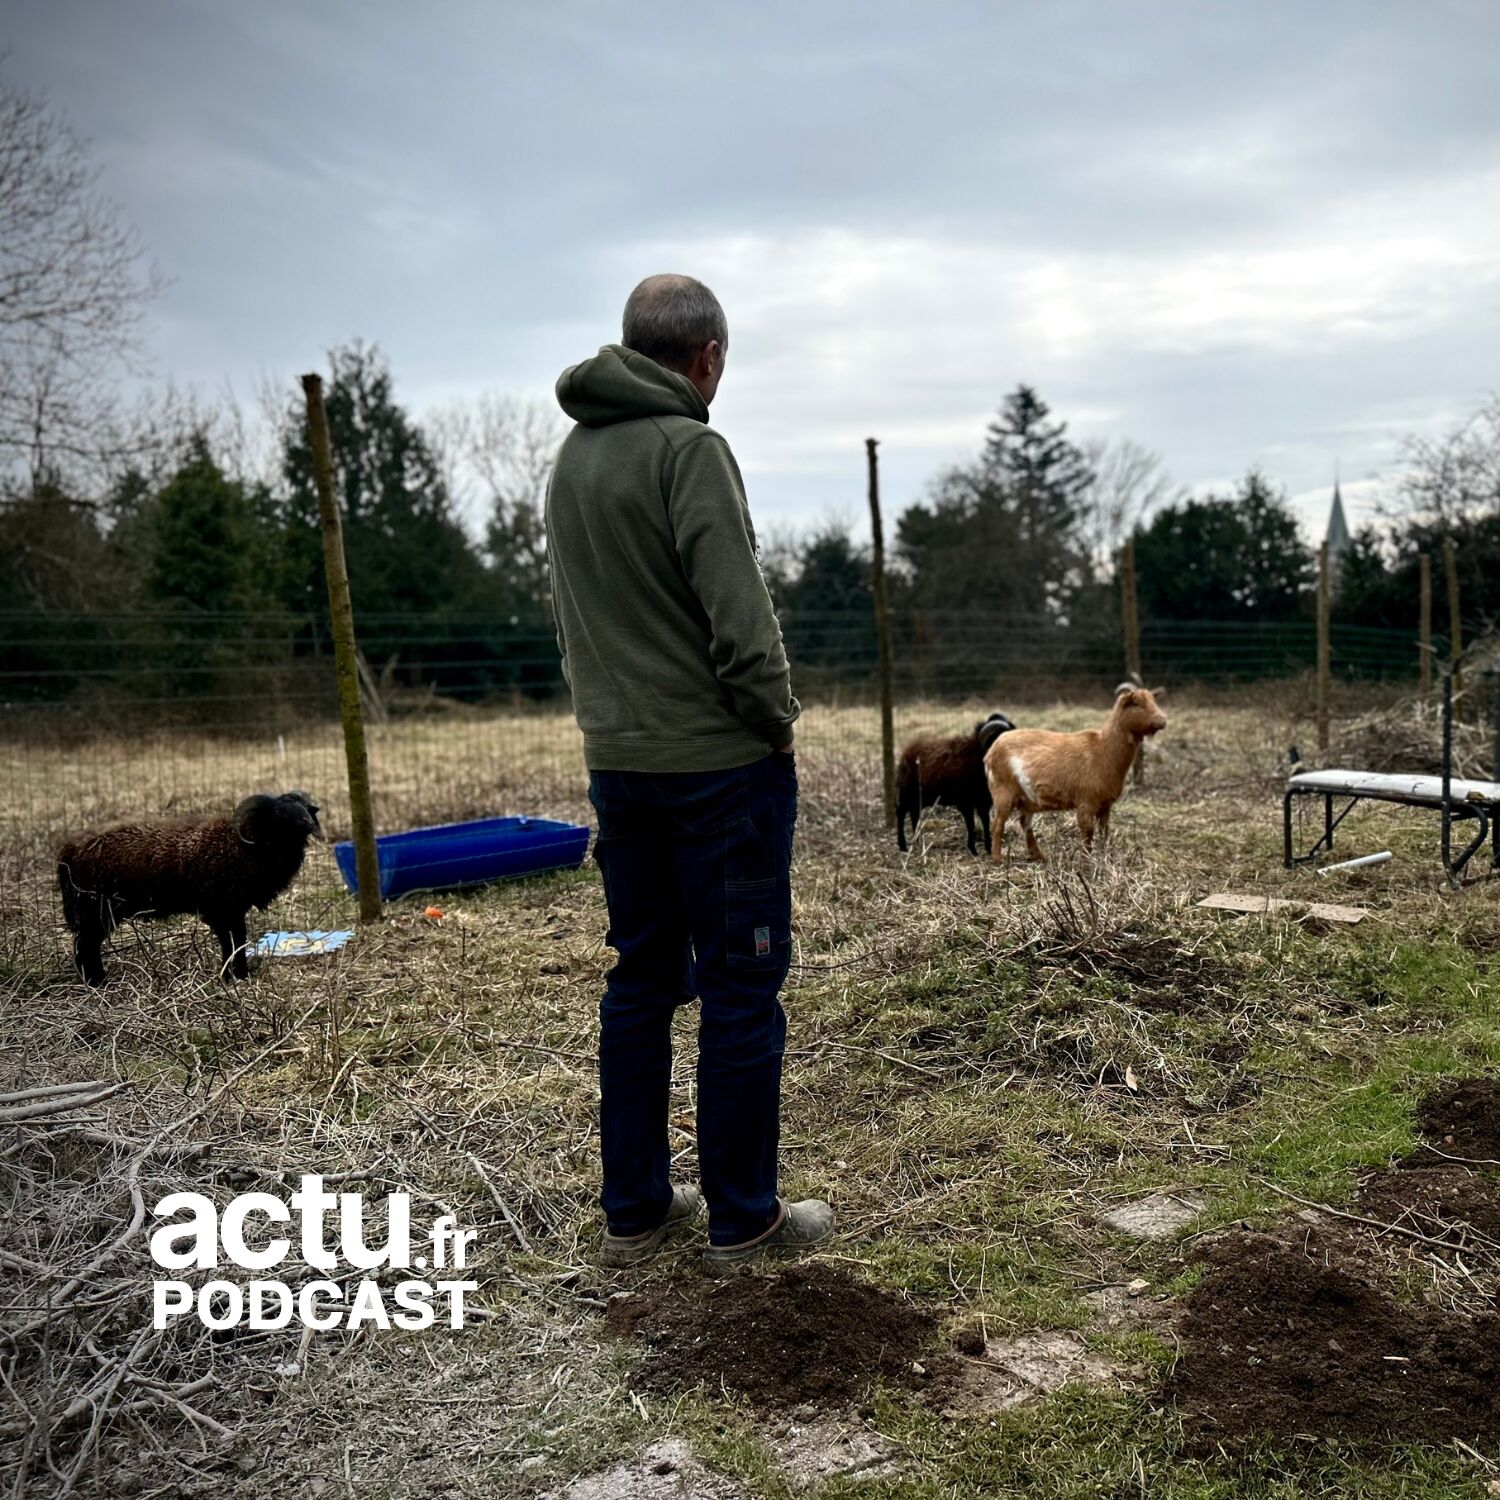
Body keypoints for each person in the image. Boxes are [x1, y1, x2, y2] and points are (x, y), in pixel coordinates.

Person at [545, 273, 833, 1270]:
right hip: (719, 770)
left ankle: (632, 1211)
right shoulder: (690, 449)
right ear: (708, 357)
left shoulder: (574, 459)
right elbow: (741, 622)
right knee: (741, 986)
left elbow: (578, 621)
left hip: (619, 766)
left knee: (640, 980)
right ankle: (744, 1218)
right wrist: (776, 724)